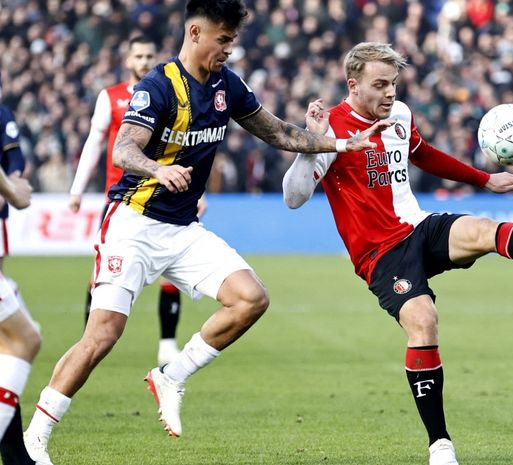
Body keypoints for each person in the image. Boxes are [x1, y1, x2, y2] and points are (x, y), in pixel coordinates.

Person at [23, 2, 389, 464]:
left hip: (182, 228)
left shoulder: (227, 86)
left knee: (251, 298)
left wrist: (338, 142)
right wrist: (158, 169)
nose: (228, 50)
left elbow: (276, 133)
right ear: (195, 33)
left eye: (233, 41)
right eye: (223, 40)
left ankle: (171, 375)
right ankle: (36, 434)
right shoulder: (157, 87)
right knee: (103, 334)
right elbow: (123, 149)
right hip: (133, 223)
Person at [282, 42, 513, 465]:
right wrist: (311, 146)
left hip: (418, 225)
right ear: (353, 85)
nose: (390, 93)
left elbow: (422, 154)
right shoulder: (330, 129)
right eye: (380, 85)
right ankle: (440, 445)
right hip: (380, 254)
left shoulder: (400, 114)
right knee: (424, 321)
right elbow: (294, 198)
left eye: (394, 84)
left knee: (482, 230)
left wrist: (485, 180)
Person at [67, 35, 192, 366]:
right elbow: (95, 143)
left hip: (165, 196)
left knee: (170, 269)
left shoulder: (169, 96)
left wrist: (199, 192)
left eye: (150, 55)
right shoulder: (110, 98)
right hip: (121, 199)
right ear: (127, 60)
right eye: (138, 55)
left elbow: (188, 147)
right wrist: (77, 189)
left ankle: (167, 343)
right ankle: (88, 343)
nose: (144, 61)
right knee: (102, 275)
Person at [0, 100, 36, 465]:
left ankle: (14, 454)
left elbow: (14, 157)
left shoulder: (4, 114)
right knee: (21, 338)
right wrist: (11, 191)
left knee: (16, 339)